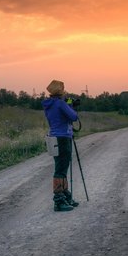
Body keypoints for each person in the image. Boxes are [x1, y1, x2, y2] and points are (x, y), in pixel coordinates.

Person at [42, 80, 79, 212]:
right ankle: (59, 200)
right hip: (62, 137)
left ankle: (64, 195)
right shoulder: (60, 104)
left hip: (53, 137)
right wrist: (72, 106)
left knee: (61, 167)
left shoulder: (48, 104)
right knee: (61, 169)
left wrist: (67, 105)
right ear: (60, 92)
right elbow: (74, 117)